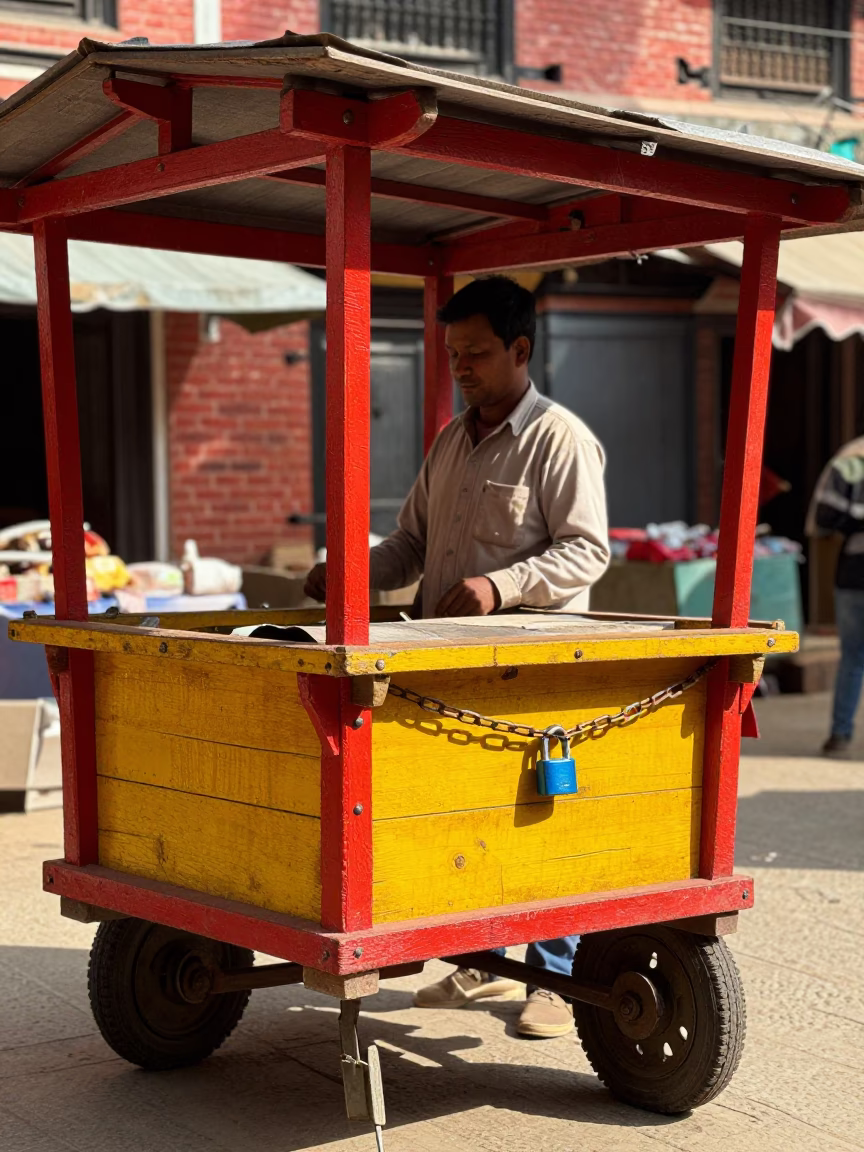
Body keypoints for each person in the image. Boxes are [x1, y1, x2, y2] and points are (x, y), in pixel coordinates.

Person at [305, 275, 610, 1037]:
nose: (462, 368)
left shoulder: (561, 438)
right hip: (445, 668)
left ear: (520, 350)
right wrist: (346, 570)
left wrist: (499, 586)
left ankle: (553, 979)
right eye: (453, 355)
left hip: (534, 673)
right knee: (467, 820)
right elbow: (410, 546)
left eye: (476, 353)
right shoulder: (449, 440)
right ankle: (482, 957)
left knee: (541, 818)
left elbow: (587, 551)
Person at [807, 435, 864, 757]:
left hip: (855, 570)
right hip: (854, 573)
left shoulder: (850, 460)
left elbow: (825, 518)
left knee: (853, 658)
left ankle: (839, 736)